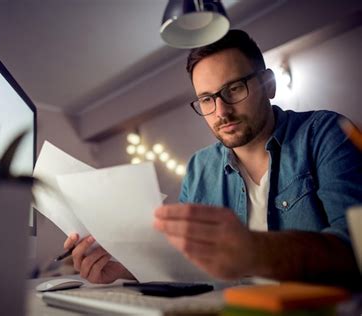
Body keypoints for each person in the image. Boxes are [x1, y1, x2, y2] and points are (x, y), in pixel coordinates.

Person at [63, 30, 362, 286]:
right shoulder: (199, 167)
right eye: (207, 99)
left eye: (234, 88)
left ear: (268, 84)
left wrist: (255, 250)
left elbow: (356, 249)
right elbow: (185, 264)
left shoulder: (326, 134)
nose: (221, 111)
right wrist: (123, 269)